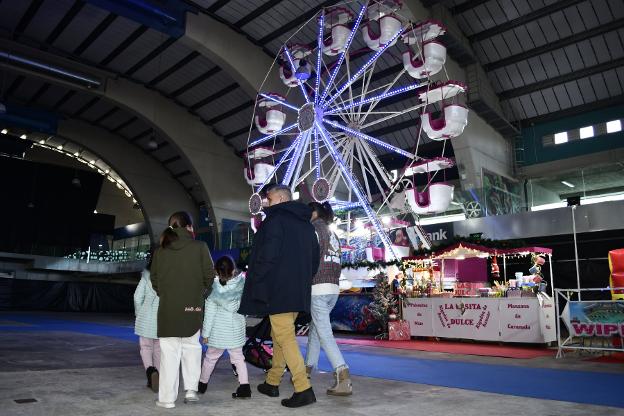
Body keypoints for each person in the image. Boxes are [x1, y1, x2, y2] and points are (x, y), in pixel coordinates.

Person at [238, 184, 320, 408]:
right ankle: (272, 381)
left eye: (270, 199)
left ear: (282, 199)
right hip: (297, 290)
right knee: (279, 335)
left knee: (285, 337)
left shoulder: (275, 221)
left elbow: (267, 256)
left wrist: (256, 281)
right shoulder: (306, 225)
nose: (266, 203)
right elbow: (315, 259)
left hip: (277, 290)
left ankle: (303, 388)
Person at [150, 212, 215, 409]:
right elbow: (210, 276)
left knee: (168, 356)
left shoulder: (161, 251)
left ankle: (167, 400)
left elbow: (154, 279)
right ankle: (191, 390)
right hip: (192, 307)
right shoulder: (200, 247)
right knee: (192, 348)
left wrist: (167, 294)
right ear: (189, 226)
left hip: (169, 309)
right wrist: (200, 295)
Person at [305, 202, 352, 396]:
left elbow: (308, 259)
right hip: (333, 287)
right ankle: (305, 373)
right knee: (316, 330)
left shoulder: (313, 229)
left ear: (315, 213)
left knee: (324, 333)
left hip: (318, 287)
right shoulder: (334, 234)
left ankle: (343, 376)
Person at [198, 256, 250, 399]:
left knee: (210, 358)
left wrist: (206, 334)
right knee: (238, 359)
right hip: (235, 331)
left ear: (215, 270)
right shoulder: (243, 285)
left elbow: (209, 315)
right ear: (233, 270)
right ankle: (245, 387)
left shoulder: (213, 290)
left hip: (218, 332)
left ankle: (202, 385)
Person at [133, 251, 160, 393]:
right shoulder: (168, 277)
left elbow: (137, 298)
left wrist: (139, 313)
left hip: (146, 319)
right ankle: (159, 377)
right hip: (162, 319)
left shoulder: (145, 277)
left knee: (145, 348)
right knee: (158, 349)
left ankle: (150, 373)